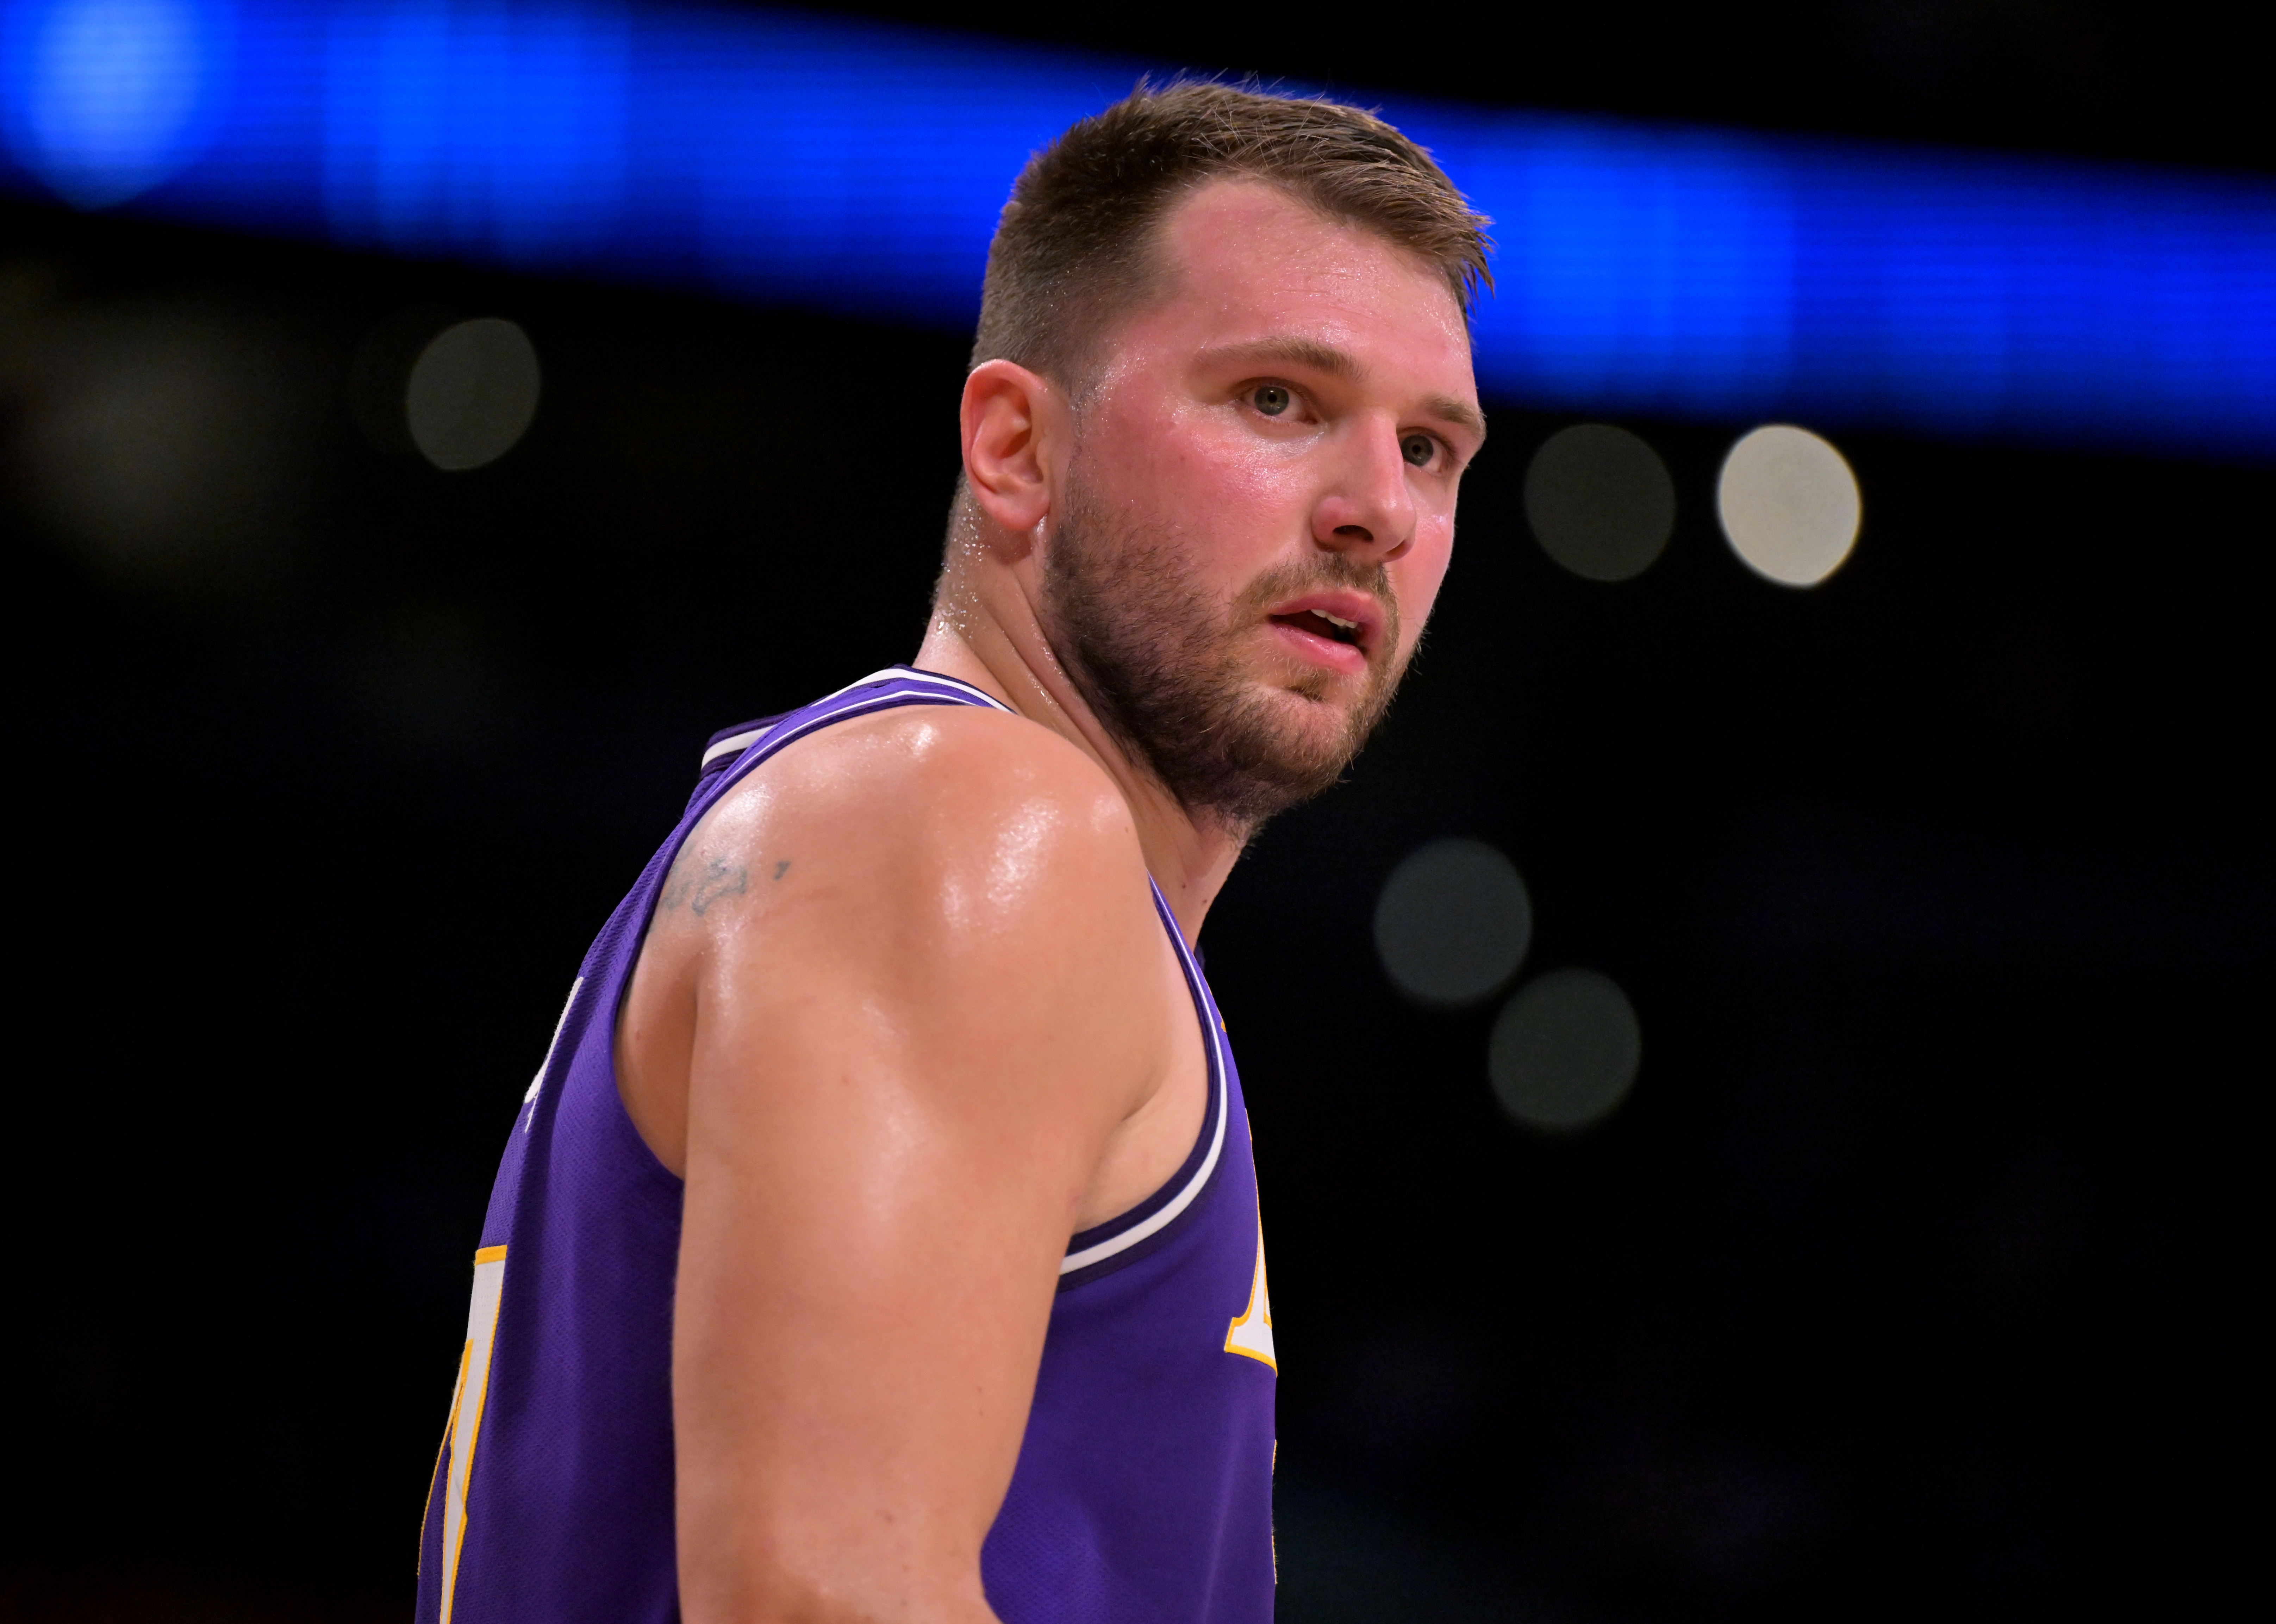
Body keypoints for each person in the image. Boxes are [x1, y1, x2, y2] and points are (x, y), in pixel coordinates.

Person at [414, 80, 1490, 1624]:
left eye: (1431, 448)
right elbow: (819, 1599)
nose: (1377, 508)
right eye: (1277, 399)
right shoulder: (966, 817)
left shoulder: (896, 835)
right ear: (1014, 447)